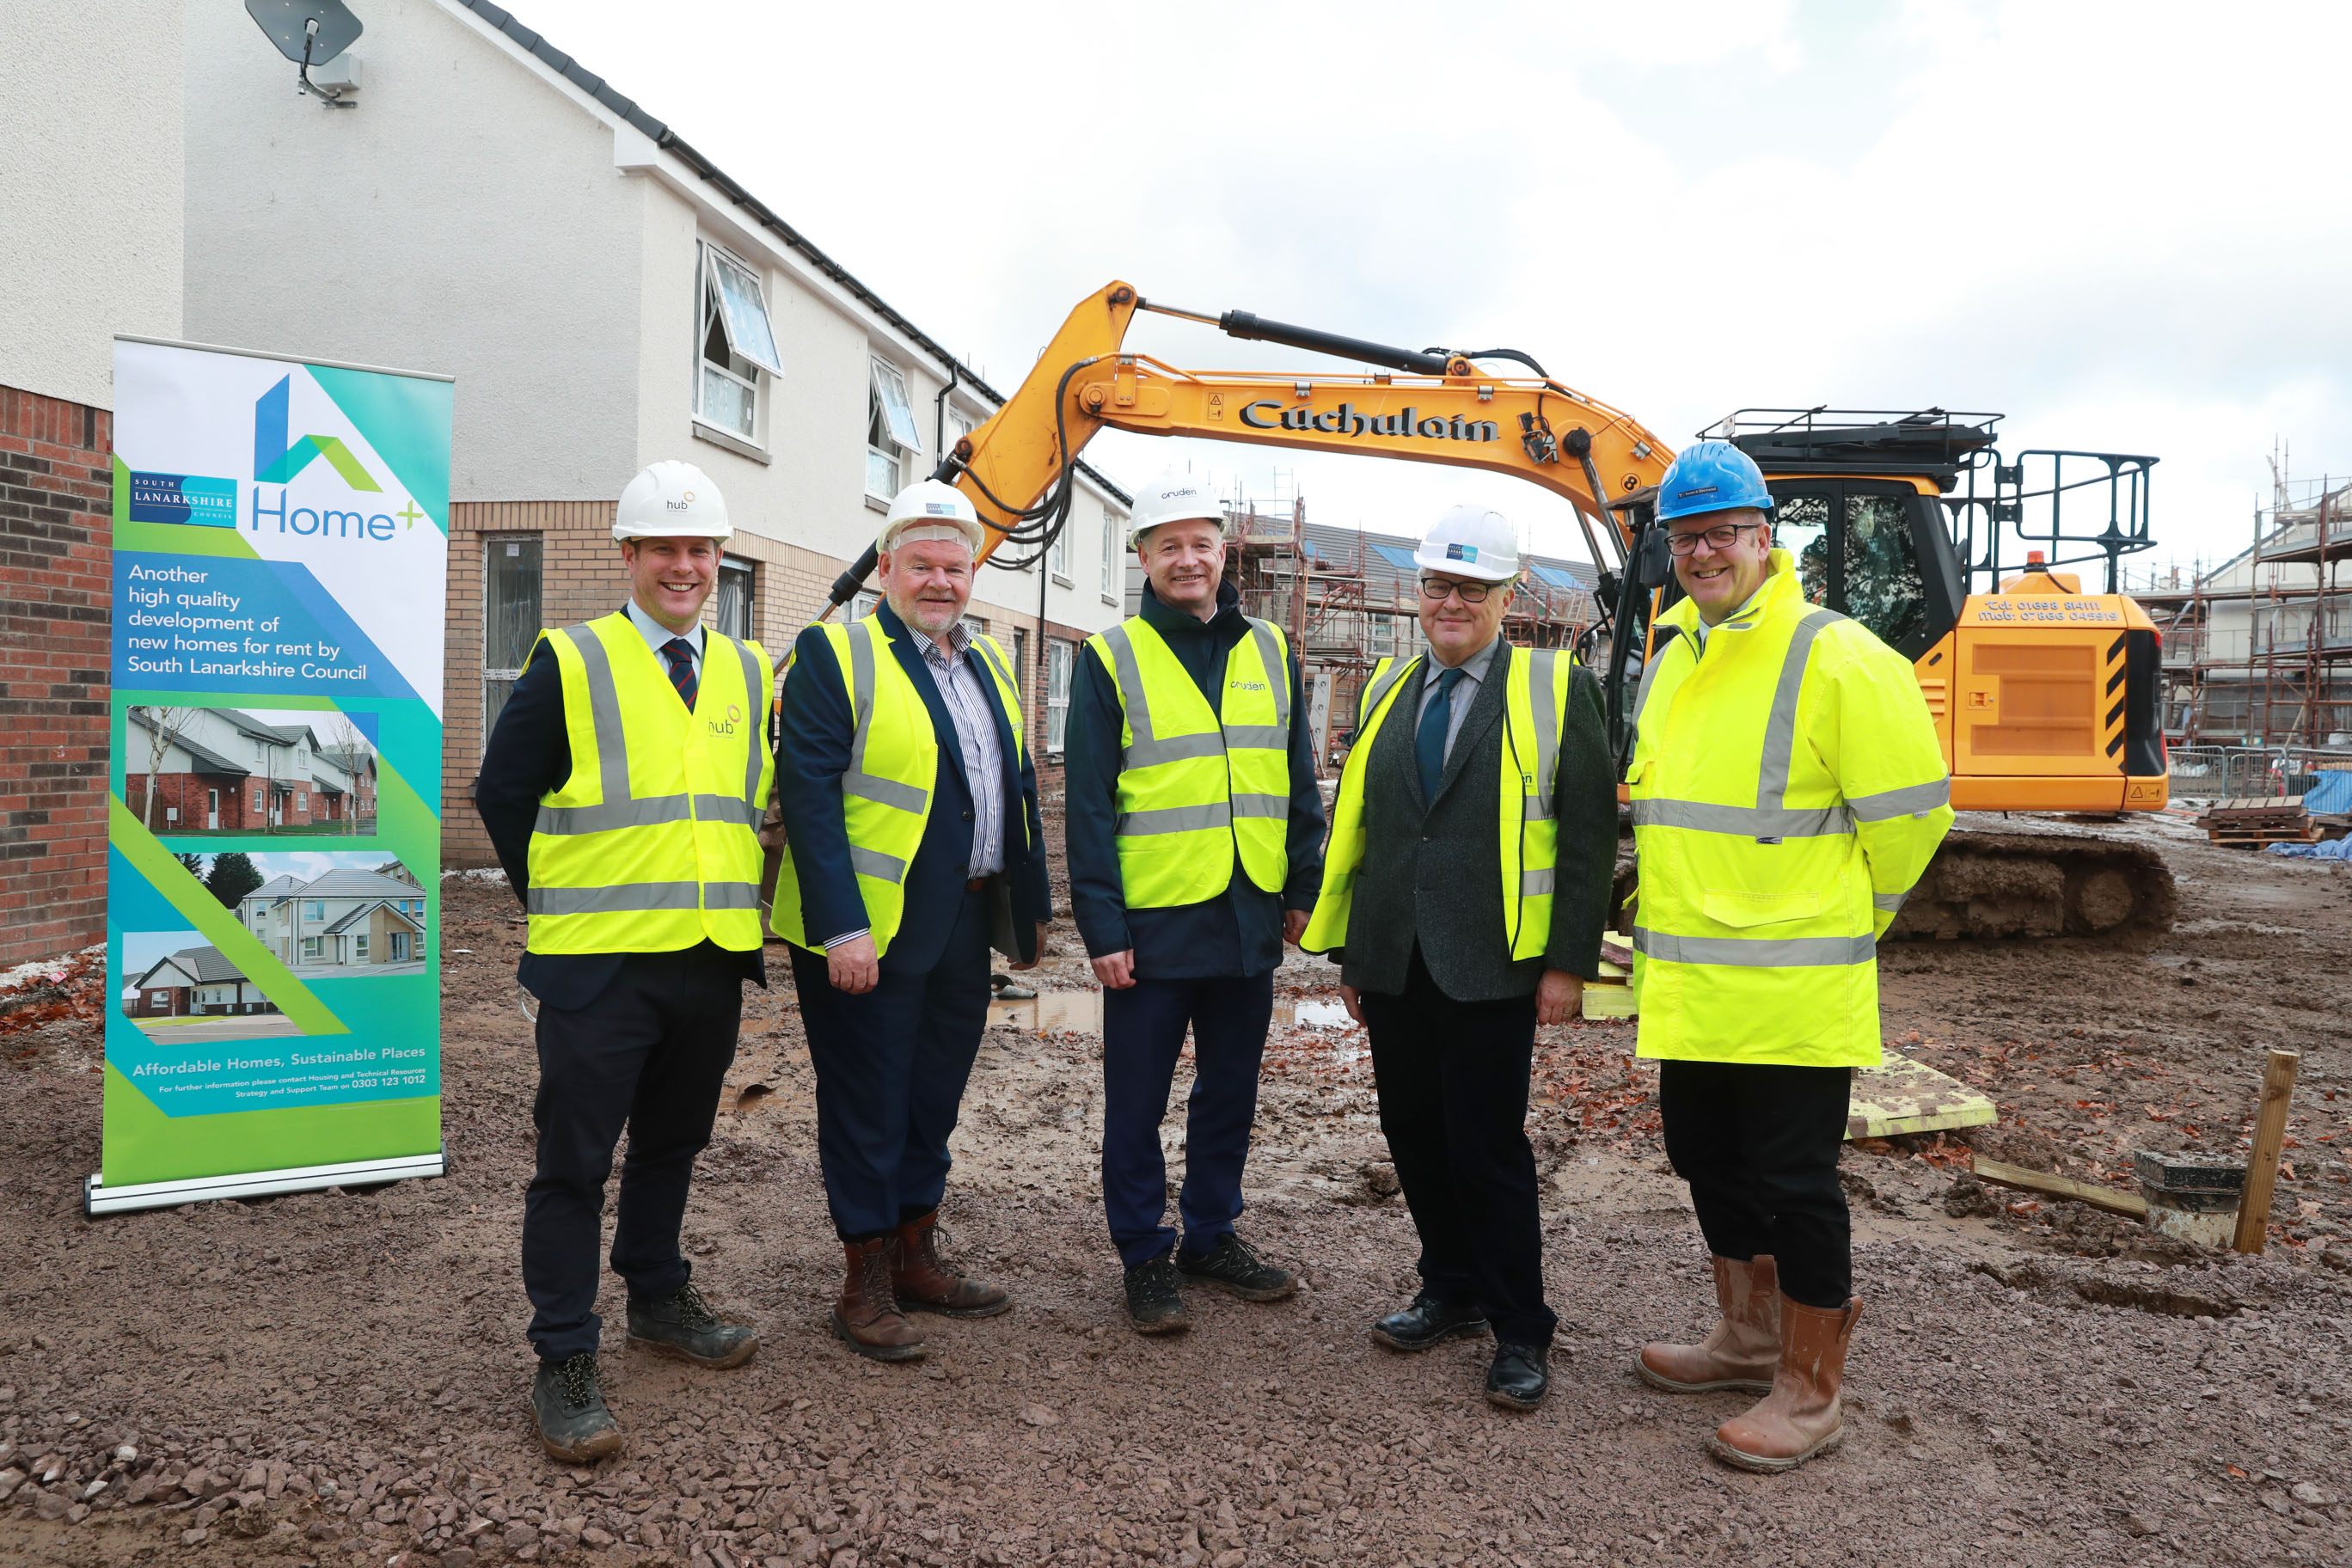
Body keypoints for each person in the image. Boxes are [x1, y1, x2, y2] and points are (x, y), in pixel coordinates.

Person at [1626, 440, 1952, 1472]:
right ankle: (1749, 1339)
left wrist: (1841, 922)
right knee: (1705, 1160)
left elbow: (1908, 825)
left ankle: (1811, 1393)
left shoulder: (1841, 656)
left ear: (1768, 539)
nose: (1704, 553)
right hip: (1693, 984)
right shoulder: (1673, 654)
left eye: (1723, 533)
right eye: (1687, 537)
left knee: (1795, 1185)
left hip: (1794, 991)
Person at [473, 459, 773, 1462]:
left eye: (700, 551)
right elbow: (502, 793)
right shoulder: (572, 658)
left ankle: (655, 1295)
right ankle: (563, 1356)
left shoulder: (746, 669)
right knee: (573, 1165)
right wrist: (550, 902)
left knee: (672, 1147)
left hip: (710, 955)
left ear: (718, 561)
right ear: (629, 556)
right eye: (664, 551)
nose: (683, 568)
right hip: (599, 965)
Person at [1302, 504, 1616, 1410]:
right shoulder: (1392, 688)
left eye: (1471, 588)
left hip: (1493, 963)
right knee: (1412, 1136)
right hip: (1396, 961)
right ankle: (1449, 1287)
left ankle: (1522, 1326)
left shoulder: (1556, 690)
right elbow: (1373, 831)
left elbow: (1591, 839)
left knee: (1487, 1149)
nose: (1451, 602)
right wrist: (1358, 959)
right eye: (1439, 584)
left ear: (1505, 595)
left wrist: (1566, 965)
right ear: (1420, 593)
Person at [771, 479, 1050, 1363]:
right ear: (885, 568)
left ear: (974, 575)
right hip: (869, 936)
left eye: (956, 567)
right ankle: (862, 1281)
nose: (940, 582)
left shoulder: (988, 664)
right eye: (922, 565)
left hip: (962, 926)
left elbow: (1014, 791)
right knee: (867, 1104)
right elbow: (808, 799)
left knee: (931, 1099)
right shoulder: (837, 654)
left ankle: (917, 1256)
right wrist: (841, 925)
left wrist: (1028, 912)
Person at [1065, 469, 1326, 1334]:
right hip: (1151, 924)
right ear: (1143, 556)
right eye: (1168, 545)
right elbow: (1090, 807)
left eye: (1201, 544)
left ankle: (1210, 1233)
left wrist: (1300, 884)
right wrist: (1101, 925)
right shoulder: (1110, 658)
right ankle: (1144, 1253)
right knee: (1136, 1104)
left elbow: (1295, 784)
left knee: (1230, 1093)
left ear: (1224, 553)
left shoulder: (1272, 652)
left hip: (1248, 914)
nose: (1187, 560)